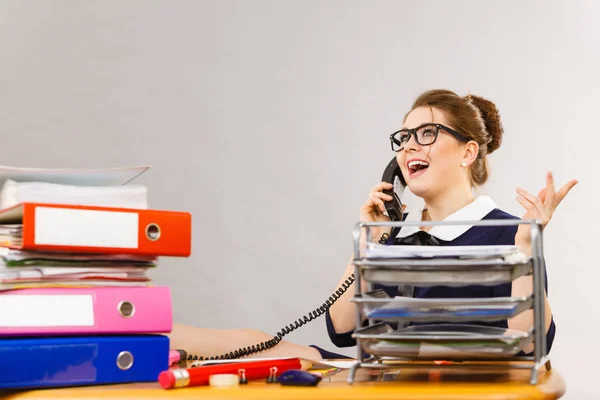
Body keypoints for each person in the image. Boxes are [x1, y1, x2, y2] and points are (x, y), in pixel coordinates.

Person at [324, 89, 577, 356]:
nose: (409, 146)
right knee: (278, 349)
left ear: (467, 153)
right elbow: (341, 329)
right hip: (395, 383)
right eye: (404, 137)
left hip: (464, 387)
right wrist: (370, 240)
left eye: (427, 133)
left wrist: (526, 247)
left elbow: (532, 346)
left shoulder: (511, 233)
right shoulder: (392, 235)